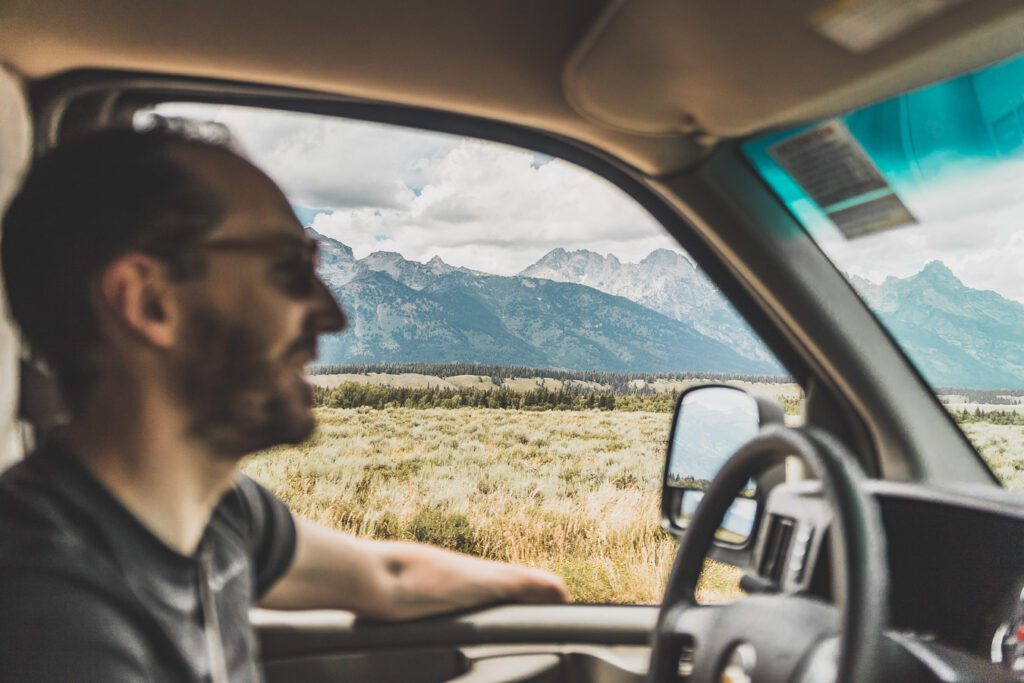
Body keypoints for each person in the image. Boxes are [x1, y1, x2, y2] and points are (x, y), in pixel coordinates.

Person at [0, 127, 569, 682]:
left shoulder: (221, 511)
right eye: (290, 270)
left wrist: (541, 590)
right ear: (151, 302)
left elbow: (386, 577)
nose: (333, 314)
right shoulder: (44, 613)